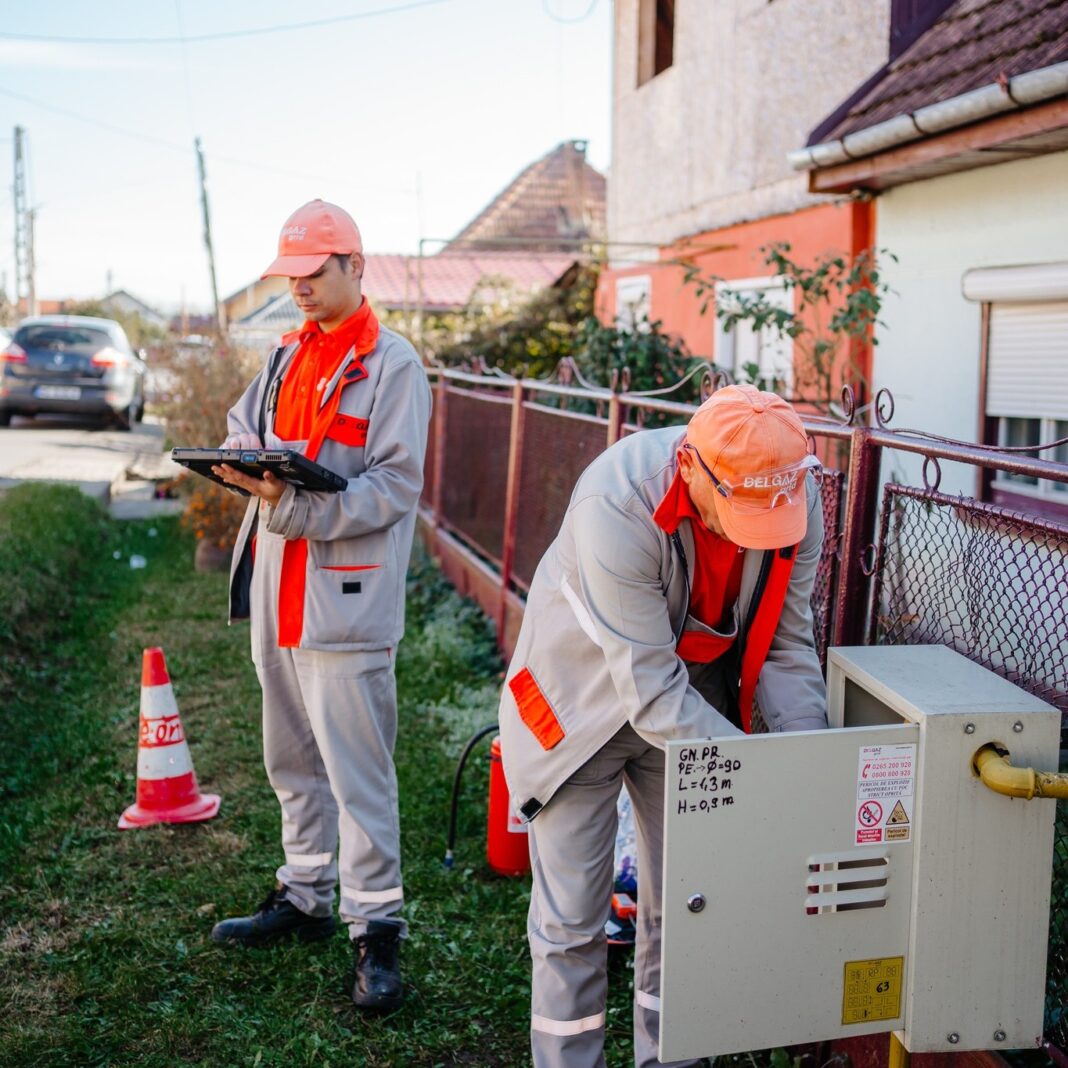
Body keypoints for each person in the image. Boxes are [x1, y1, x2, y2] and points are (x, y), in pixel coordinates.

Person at [498, 384, 828, 1067]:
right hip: (578, 707)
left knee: (686, 909)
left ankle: (671, 1058)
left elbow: (788, 647)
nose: (760, 529)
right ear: (691, 469)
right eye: (742, 512)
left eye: (775, 512)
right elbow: (648, 695)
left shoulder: (792, 497)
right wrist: (759, 776)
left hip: (693, 702)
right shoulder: (614, 505)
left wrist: (806, 768)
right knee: (571, 923)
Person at [209, 199, 431, 1013]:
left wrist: (297, 507)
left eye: (312, 273)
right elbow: (245, 426)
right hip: (279, 582)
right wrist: (234, 459)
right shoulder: (283, 354)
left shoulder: (394, 366)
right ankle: (304, 892)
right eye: (289, 275)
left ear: (355, 266)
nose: (298, 287)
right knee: (291, 755)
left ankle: (376, 931)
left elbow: (397, 486)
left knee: (358, 775)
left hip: (345, 593)